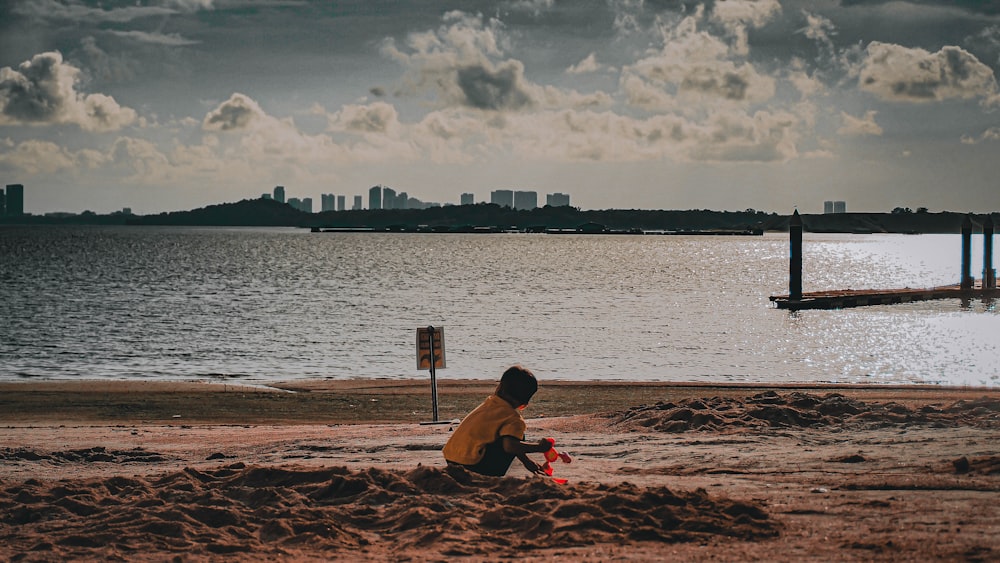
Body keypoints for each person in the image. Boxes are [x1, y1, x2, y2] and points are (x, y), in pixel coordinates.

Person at [443, 365, 553, 477]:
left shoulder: (489, 404)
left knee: (508, 435)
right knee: (518, 436)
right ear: (524, 405)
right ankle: (491, 475)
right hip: (472, 464)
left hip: (451, 459)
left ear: (498, 388)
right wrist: (539, 448)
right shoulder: (514, 419)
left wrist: (527, 461)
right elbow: (510, 446)